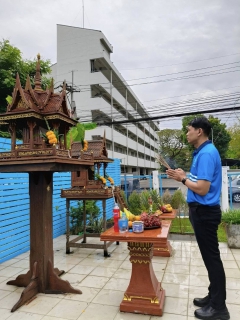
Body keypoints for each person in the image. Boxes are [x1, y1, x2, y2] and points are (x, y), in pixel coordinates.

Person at [166, 117, 230, 320]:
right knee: (210, 258)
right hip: (201, 212)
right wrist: (185, 175)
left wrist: (182, 179)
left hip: (204, 212)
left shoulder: (206, 153)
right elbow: (200, 181)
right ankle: (213, 296)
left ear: (199, 131)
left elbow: (202, 189)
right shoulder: (203, 152)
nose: (186, 133)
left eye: (189, 130)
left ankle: (219, 308)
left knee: (212, 259)